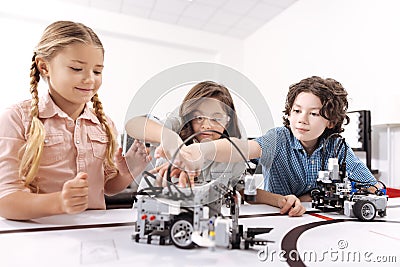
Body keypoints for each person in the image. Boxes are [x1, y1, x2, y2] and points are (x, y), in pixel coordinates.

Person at [0, 21, 150, 220]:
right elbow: (6, 201)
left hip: (94, 235)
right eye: (77, 68)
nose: (90, 79)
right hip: (40, 236)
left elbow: (108, 187)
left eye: (97, 71)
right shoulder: (17, 118)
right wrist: (60, 202)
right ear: (44, 67)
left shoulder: (104, 124)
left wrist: (128, 172)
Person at [172, 76, 378, 201]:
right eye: (296, 111)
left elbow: (373, 186)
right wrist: (200, 150)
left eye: (313, 114)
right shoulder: (279, 138)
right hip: (280, 217)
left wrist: (322, 194)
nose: (301, 120)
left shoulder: (337, 147)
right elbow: (243, 148)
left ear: (331, 122)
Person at [126, 81, 305, 216]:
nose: (206, 125)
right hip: (154, 213)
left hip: (200, 221)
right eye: (198, 118)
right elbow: (134, 125)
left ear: (228, 120)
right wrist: (170, 140)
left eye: (216, 118)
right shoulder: (175, 128)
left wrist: (281, 200)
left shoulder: (231, 151)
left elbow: (241, 188)